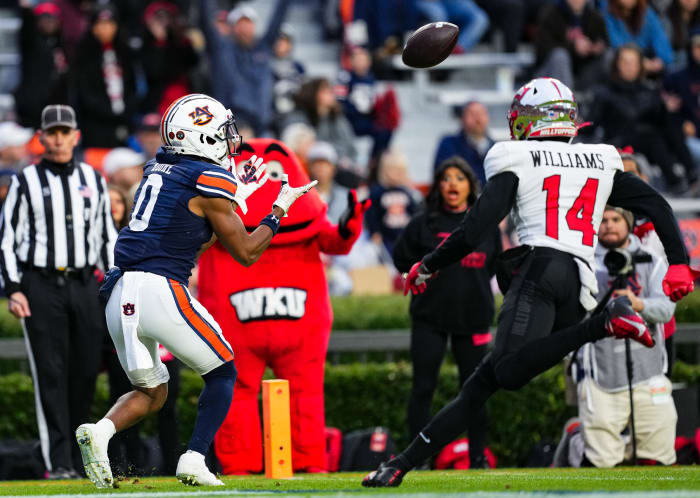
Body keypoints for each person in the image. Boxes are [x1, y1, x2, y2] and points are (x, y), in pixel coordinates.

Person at [362, 77, 697, 487]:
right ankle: (401, 464)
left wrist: (428, 265)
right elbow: (656, 204)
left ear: (530, 119)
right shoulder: (601, 158)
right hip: (580, 283)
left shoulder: (513, 155)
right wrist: (679, 262)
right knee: (484, 382)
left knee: (506, 372)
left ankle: (604, 323)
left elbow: (473, 230)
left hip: (541, 271)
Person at [73, 94, 316, 488]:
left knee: (152, 391)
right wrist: (277, 211)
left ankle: (100, 431)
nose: (229, 139)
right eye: (222, 132)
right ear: (200, 138)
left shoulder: (159, 167)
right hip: (158, 290)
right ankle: (195, 457)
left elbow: (191, 239)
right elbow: (248, 252)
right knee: (223, 373)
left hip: (120, 294)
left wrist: (237, 198)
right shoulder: (210, 179)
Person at [198, 138, 369, 475]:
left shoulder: (305, 223)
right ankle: (240, 466)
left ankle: (306, 462)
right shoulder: (219, 225)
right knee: (236, 395)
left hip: (286, 327)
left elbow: (336, 242)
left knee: (302, 395)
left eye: (274, 172)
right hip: (246, 327)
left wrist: (351, 224)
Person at [0, 104, 118, 479]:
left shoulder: (93, 178)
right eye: (52, 132)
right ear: (42, 137)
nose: (59, 138)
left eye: (65, 131)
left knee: (85, 371)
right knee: (51, 372)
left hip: (85, 284)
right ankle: (59, 462)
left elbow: (106, 237)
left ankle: (82, 458)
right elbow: (7, 240)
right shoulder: (24, 181)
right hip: (41, 284)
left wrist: (119, 281)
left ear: (76, 135)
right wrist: (15, 288)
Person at [392, 156, 501, 469]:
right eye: (446, 178)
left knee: (476, 390)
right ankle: (416, 461)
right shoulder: (422, 224)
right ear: (438, 186)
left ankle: (478, 457)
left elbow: (494, 265)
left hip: (474, 319)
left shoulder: (484, 226)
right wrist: (414, 277)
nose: (452, 183)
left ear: (470, 186)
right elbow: (401, 258)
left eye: (460, 178)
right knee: (423, 388)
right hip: (430, 319)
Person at [575, 206, 676, 467]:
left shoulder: (652, 260)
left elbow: (666, 310)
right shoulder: (583, 263)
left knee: (658, 456)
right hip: (600, 374)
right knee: (602, 461)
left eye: (616, 219)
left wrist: (637, 304)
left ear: (627, 223)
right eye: (603, 220)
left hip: (649, 373)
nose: (609, 225)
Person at [584, 44, 697, 193]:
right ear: (616, 65)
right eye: (624, 62)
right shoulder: (604, 92)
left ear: (640, 66)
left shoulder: (649, 90)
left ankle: (692, 174)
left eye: (633, 63)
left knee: (672, 125)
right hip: (618, 141)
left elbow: (661, 120)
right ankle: (674, 181)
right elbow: (591, 124)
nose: (629, 67)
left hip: (649, 140)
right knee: (652, 138)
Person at [199, 0, 292, 136]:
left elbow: (278, 19)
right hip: (232, 124)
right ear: (232, 27)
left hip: (263, 124)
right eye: (239, 23)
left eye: (247, 23)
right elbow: (205, 19)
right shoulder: (221, 50)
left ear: (254, 26)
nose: (244, 28)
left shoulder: (263, 48)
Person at [534, 0, 608, 91]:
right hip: (550, 75)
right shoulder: (550, 13)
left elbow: (604, 41)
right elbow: (542, 49)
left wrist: (596, 48)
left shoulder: (595, 17)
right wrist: (573, 47)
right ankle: (566, 101)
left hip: (581, 72)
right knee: (560, 56)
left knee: (608, 56)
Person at [603, 0, 673, 75]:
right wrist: (636, 61)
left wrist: (660, 61)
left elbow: (660, 40)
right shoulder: (607, 14)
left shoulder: (647, 14)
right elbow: (615, 43)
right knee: (609, 56)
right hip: (622, 59)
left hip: (646, 60)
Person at [433, 102, 493, 186]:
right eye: (472, 114)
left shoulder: (496, 148)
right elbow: (442, 176)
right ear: (462, 118)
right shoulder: (448, 144)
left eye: (481, 114)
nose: (477, 119)